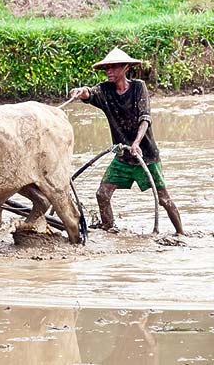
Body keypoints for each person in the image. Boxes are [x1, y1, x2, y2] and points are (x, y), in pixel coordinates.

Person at [69, 47, 184, 235]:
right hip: (123, 157)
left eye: (113, 67)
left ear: (125, 68)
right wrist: (80, 92)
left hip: (146, 156)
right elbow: (90, 93)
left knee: (163, 199)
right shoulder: (105, 90)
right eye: (107, 68)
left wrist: (137, 142)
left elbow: (145, 118)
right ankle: (109, 228)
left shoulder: (139, 87)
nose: (109, 71)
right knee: (102, 194)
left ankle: (181, 233)